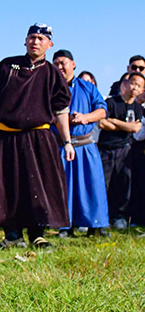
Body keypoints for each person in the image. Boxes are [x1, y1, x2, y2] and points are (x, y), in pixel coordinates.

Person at [0, 23, 74, 250]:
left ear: (49, 44)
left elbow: (61, 112)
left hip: (40, 138)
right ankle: (12, 236)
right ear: (25, 41)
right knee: (6, 186)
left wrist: (67, 142)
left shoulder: (52, 74)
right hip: (6, 137)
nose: (35, 42)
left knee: (38, 186)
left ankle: (38, 235)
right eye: (32, 37)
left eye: (41, 39)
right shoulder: (7, 66)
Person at [51, 50, 109, 237]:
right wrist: (63, 119)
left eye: (63, 63)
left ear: (73, 64)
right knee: (62, 187)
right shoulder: (48, 88)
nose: (60, 67)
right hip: (60, 145)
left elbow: (101, 111)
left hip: (85, 145)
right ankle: (64, 227)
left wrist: (84, 117)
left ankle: (96, 226)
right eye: (56, 63)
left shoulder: (87, 87)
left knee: (92, 186)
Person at [97, 71, 144, 229]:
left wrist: (115, 123)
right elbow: (102, 123)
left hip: (125, 150)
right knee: (103, 184)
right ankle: (100, 218)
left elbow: (136, 128)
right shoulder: (111, 102)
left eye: (139, 86)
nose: (134, 88)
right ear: (126, 83)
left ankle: (120, 217)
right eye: (133, 83)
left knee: (124, 184)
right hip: (106, 149)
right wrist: (126, 126)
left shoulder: (137, 108)